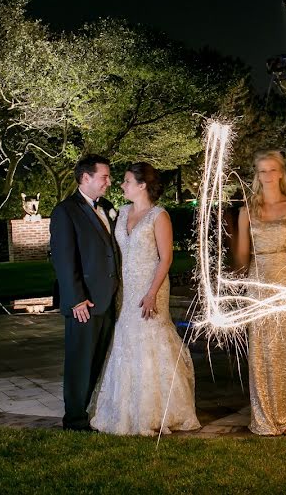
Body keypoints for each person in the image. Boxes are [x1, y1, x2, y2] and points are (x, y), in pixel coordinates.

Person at [88, 162, 200, 435]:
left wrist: (151, 293)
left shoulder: (158, 216)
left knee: (151, 341)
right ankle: (126, 408)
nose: (122, 185)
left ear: (142, 186)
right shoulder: (122, 212)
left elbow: (166, 258)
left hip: (152, 287)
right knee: (126, 340)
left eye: (127, 181)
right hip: (126, 290)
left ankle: (157, 410)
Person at [235, 151, 286, 435]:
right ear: (257, 175)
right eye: (261, 171)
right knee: (262, 350)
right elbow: (243, 254)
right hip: (258, 281)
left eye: (271, 170)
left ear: (280, 173)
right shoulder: (247, 210)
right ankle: (265, 414)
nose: (266, 175)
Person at [50, 154, 120, 431]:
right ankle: (75, 419)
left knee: (97, 360)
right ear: (85, 178)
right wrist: (76, 298)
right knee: (80, 362)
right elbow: (64, 260)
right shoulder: (65, 211)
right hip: (84, 302)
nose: (109, 182)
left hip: (108, 299)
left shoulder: (108, 207)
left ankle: (89, 411)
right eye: (104, 176)